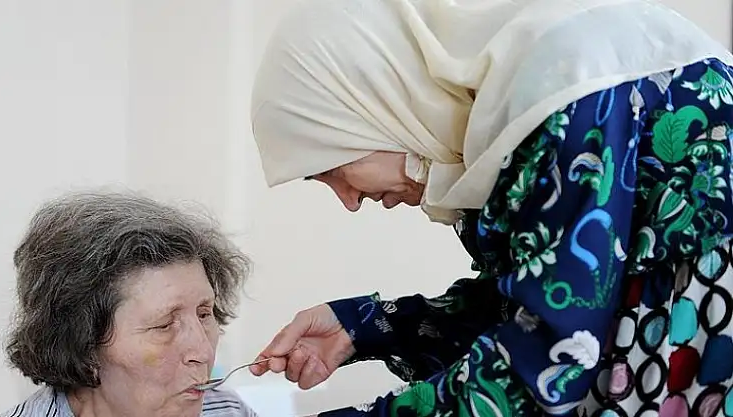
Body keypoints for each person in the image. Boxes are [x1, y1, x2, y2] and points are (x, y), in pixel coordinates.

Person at [249, 0, 733, 415]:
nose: (350, 201)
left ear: (371, 103)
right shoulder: (535, 97)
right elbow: (539, 304)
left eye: (333, 169)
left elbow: (549, 357)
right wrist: (366, 325)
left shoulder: (570, 85)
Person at [0, 192, 258, 417]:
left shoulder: (226, 410)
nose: (203, 353)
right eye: (164, 325)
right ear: (85, 350)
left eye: (204, 314)